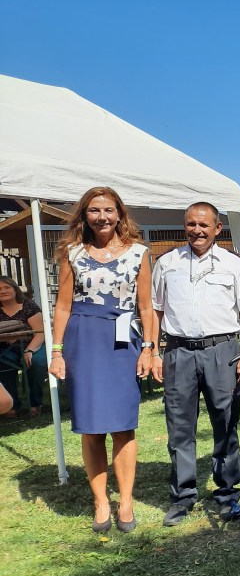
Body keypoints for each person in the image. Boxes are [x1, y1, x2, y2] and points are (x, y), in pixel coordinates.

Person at [48, 187, 157, 533]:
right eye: (94, 210)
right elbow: (63, 306)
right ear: (85, 215)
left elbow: (146, 307)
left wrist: (149, 348)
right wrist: (56, 351)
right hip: (84, 339)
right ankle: (100, 501)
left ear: (120, 213)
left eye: (109, 210)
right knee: (92, 426)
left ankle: (125, 500)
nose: (102, 217)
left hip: (124, 340)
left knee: (124, 424)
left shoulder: (139, 253)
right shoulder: (72, 252)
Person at [152, 202, 240, 526]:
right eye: (191, 224)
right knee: (179, 427)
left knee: (226, 425)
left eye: (204, 225)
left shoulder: (233, 264)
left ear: (217, 229)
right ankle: (183, 497)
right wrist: (154, 350)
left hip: (222, 351)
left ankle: (227, 495)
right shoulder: (166, 263)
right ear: (184, 226)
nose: (196, 230)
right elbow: (156, 309)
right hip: (178, 352)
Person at [0, 277, 47, 417]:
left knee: (36, 363)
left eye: (6, 287)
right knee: (2, 362)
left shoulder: (28, 305)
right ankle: (11, 405)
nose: (2, 291)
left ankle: (35, 403)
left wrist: (29, 350)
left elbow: (40, 332)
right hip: (6, 348)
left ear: (15, 289)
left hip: (33, 344)